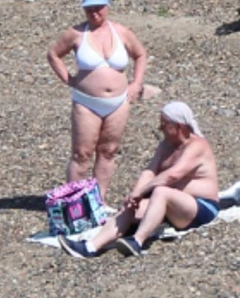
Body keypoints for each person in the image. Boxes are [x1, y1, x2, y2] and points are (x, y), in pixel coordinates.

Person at [62, 102, 219, 258]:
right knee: (130, 209)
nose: (161, 129)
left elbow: (173, 175)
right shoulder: (166, 145)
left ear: (179, 126)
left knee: (161, 191)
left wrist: (143, 192)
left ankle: (137, 241)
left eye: (164, 125)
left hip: (200, 206)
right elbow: (150, 171)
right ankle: (91, 247)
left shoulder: (197, 145)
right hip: (172, 207)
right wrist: (135, 195)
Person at [47, 0, 150, 186]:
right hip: (87, 103)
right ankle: (74, 202)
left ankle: (99, 202)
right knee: (81, 153)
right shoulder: (76, 33)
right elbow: (54, 54)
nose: (94, 13)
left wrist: (136, 83)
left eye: (99, 8)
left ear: (108, 7)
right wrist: (69, 79)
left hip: (118, 102)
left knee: (108, 151)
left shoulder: (122, 32)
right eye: (89, 9)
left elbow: (140, 54)